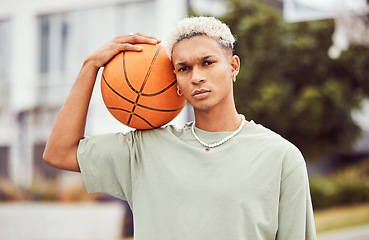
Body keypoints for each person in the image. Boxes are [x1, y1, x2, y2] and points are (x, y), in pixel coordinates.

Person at [43, 16, 317, 240]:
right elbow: (59, 152)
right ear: (175, 81)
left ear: (233, 66)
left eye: (207, 63)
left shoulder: (282, 157)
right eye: (183, 69)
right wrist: (90, 66)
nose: (196, 77)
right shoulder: (146, 149)